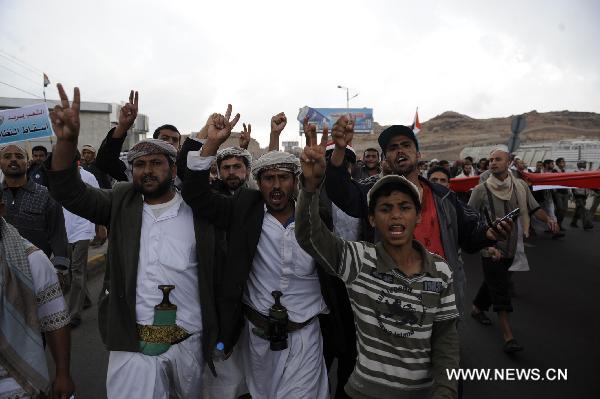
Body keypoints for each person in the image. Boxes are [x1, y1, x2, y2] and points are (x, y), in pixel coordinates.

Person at [45, 84, 218, 398]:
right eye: (140, 165)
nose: (147, 171)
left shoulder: (199, 210)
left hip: (188, 344)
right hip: (131, 345)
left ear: (173, 168)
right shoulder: (121, 202)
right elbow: (68, 192)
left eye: (156, 163)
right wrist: (67, 142)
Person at [296, 128, 459, 398]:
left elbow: (446, 340)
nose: (396, 216)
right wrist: (310, 188)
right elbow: (310, 236)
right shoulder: (358, 260)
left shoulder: (440, 271)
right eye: (385, 209)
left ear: (418, 217)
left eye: (405, 207)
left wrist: (445, 391)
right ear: (371, 219)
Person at [182, 105, 329, 399]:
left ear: (295, 182)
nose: (276, 185)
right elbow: (196, 194)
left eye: (284, 178)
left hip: (305, 341)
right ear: (257, 183)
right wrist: (211, 143)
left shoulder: (314, 218)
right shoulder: (243, 210)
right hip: (256, 341)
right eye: (268, 178)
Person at [324, 118, 512, 322]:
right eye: (393, 148)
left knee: (443, 352)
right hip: (393, 304)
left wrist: (489, 234)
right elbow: (340, 192)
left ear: (418, 155)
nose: (400, 151)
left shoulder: (443, 196)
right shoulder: (374, 192)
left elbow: (469, 235)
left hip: (441, 304)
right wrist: (340, 151)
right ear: (385, 158)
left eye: (406, 145)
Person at [469, 147, 558, 353]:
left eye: (498, 159)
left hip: (511, 246)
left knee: (493, 281)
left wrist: (550, 220)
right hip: (490, 248)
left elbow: (534, 208)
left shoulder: (520, 186)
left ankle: (477, 308)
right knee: (500, 288)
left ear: (508, 162)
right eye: (490, 160)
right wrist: (484, 243)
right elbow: (470, 218)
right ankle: (508, 336)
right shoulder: (481, 190)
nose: (492, 163)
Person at [0, 196, 74, 398]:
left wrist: (62, 374)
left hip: (20, 384)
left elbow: (55, 321)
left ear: (1, 209)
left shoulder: (33, 260)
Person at [0, 144, 70, 274]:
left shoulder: (46, 195)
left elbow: (58, 234)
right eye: (7, 156)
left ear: (27, 163)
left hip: (37, 273)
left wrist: (60, 269)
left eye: (19, 156)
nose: (13, 159)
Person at [64, 159, 102, 328]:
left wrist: (100, 227)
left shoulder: (88, 177)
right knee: (71, 270)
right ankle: (85, 299)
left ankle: (73, 315)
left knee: (77, 269)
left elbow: (99, 202)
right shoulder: (59, 177)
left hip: (83, 227)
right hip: (65, 229)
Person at [571, 161, 594, 230]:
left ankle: (573, 222)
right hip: (578, 193)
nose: (584, 165)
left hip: (584, 193)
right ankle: (586, 224)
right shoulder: (575, 172)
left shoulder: (585, 171)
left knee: (578, 209)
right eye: (583, 163)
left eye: (585, 164)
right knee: (583, 209)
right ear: (578, 165)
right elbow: (572, 184)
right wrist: (573, 194)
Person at [553, 157, 569, 231]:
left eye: (564, 161)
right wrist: (555, 191)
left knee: (565, 209)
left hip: (565, 192)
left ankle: (559, 224)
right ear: (558, 163)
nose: (564, 163)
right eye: (562, 162)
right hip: (558, 192)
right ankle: (556, 224)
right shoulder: (555, 170)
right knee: (560, 209)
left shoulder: (564, 171)